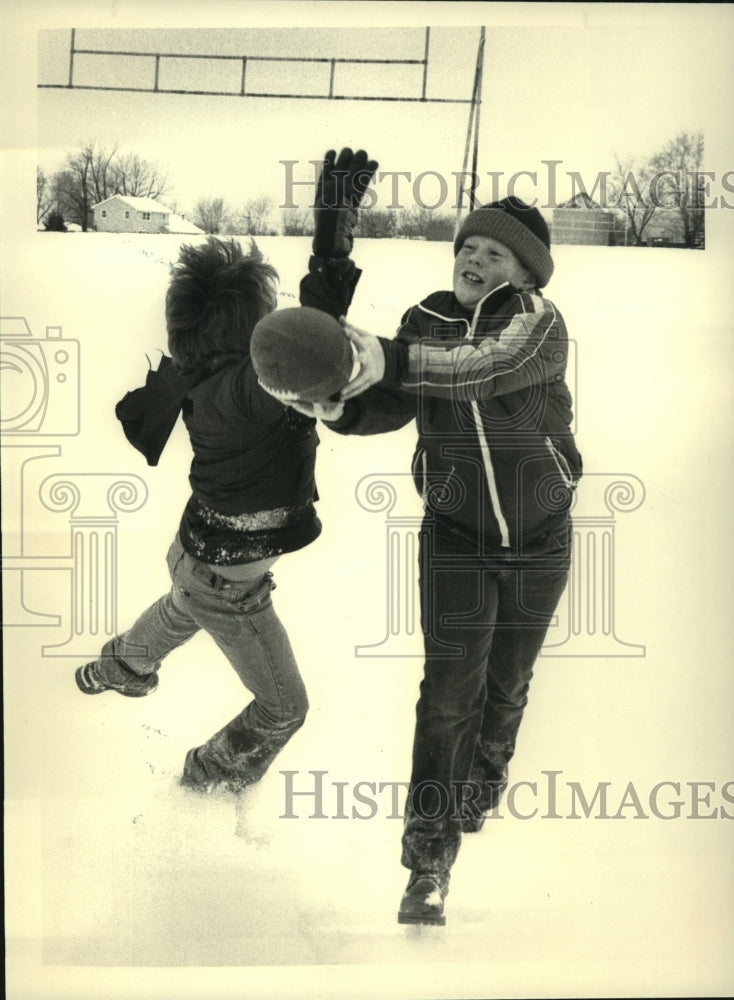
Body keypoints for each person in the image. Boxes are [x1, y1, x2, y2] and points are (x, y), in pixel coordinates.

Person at [289, 196, 582, 925]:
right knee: (450, 694)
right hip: (455, 538)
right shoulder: (425, 322)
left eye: (495, 254)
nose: (474, 260)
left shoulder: (539, 325)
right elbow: (386, 400)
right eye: (468, 247)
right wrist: (332, 398)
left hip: (542, 540)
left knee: (507, 686)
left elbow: (485, 370)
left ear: (525, 272)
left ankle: (488, 767)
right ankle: (427, 856)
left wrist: (392, 357)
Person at [74, 147, 377, 797]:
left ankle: (121, 665)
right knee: (283, 708)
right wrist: (329, 249)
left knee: (183, 605)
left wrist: (333, 242)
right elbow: (307, 341)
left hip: (194, 552)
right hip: (229, 582)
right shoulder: (251, 391)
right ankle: (204, 787)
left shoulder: (203, 375)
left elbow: (297, 339)